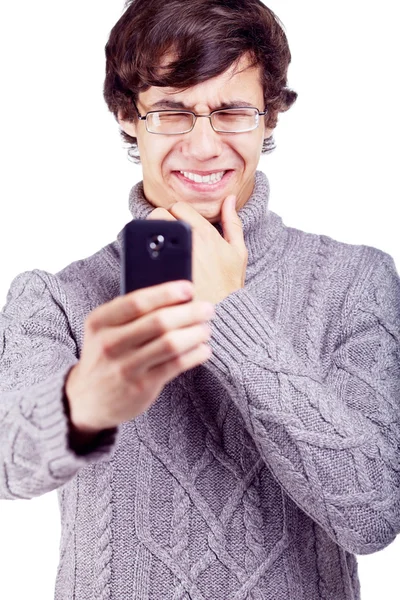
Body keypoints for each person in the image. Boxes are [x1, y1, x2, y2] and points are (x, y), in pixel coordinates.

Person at [0, 0, 399, 598]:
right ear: (128, 116)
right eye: (172, 111)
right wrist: (83, 401)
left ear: (270, 120)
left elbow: (373, 515)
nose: (205, 147)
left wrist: (228, 312)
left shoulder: (356, 281)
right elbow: (8, 466)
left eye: (232, 111)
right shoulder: (56, 297)